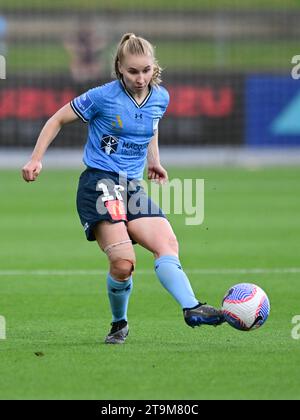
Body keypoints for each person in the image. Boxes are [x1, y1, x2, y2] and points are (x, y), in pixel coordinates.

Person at [22, 33, 225, 344]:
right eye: (132, 71)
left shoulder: (161, 97)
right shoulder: (102, 96)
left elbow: (151, 128)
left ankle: (192, 308)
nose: (140, 78)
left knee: (167, 245)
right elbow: (56, 119)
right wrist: (36, 159)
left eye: (145, 70)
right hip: (100, 183)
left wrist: (154, 162)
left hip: (132, 187)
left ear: (154, 68)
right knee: (123, 263)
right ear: (119, 68)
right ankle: (119, 323)